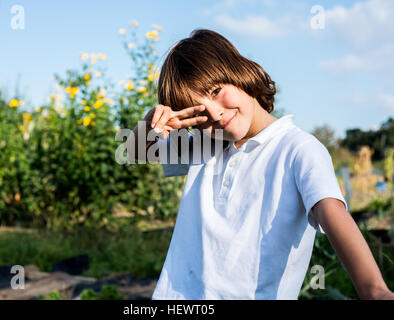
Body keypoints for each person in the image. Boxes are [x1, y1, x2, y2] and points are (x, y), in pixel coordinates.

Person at [126, 29, 394, 300]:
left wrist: (375, 291)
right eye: (199, 112)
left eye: (217, 91)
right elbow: (133, 149)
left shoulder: (298, 149)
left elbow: (332, 211)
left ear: (240, 73)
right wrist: (151, 122)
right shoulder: (205, 145)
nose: (215, 114)